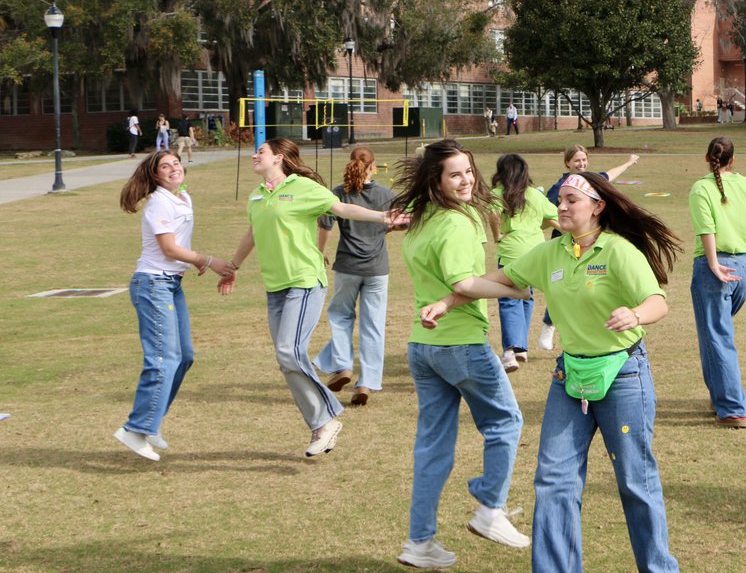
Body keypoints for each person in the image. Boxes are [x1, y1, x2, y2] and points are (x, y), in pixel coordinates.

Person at [423, 171, 684, 573]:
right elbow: (497, 279)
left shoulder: (617, 250)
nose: (561, 206)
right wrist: (446, 302)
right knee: (553, 480)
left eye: (571, 199)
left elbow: (657, 302)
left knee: (635, 481)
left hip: (623, 375)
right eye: (559, 199)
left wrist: (635, 313)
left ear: (598, 207)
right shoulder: (551, 253)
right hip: (571, 377)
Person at [388, 138, 530, 569]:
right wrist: (516, 287)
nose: (466, 180)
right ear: (437, 180)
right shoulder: (453, 223)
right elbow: (464, 283)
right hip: (459, 344)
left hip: (423, 346)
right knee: (506, 420)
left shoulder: (423, 219)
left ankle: (419, 542)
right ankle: (489, 508)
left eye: (468, 170)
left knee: (433, 447)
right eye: (455, 174)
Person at [217, 138, 399, 457]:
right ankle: (321, 424)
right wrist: (234, 266)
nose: (254, 155)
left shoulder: (300, 187)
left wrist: (382, 217)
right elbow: (253, 232)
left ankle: (327, 416)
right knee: (286, 358)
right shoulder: (257, 195)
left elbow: (341, 208)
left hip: (304, 281)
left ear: (279, 158)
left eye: (261, 151)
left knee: (290, 350)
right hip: (276, 287)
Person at [114, 150, 234, 461]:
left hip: (171, 284)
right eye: (165, 166)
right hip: (152, 284)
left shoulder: (183, 197)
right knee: (163, 358)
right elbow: (168, 248)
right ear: (155, 175)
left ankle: (150, 422)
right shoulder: (158, 202)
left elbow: (178, 244)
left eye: (176, 164)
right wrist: (207, 260)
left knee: (184, 357)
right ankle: (135, 428)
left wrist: (192, 262)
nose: (173, 169)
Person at [689, 137, 746, 429]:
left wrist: (714, 265)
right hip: (744, 267)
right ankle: (720, 399)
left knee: (717, 338)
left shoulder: (702, 188)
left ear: (707, 158)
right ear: (733, 160)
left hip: (715, 269)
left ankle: (732, 409)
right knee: (715, 335)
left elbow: (707, 229)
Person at [314, 147, 396, 406]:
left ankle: (343, 366)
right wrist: (384, 232)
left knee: (340, 316)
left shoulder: (339, 192)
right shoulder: (385, 194)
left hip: (347, 265)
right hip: (377, 268)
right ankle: (366, 382)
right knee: (373, 326)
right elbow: (403, 219)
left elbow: (325, 225)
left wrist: (321, 252)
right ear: (373, 166)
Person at [540, 145, 639, 350]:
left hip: (591, 243)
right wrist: (564, 227)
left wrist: (629, 162)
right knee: (565, 285)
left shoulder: (592, 181)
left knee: (590, 285)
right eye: (577, 160)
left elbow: (609, 175)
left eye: (584, 160)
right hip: (567, 246)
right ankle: (549, 324)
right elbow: (544, 215)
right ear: (567, 162)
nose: (581, 164)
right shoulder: (559, 187)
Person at [490, 153, 558, 372]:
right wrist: (537, 227)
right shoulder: (535, 195)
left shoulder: (498, 193)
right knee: (526, 297)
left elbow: (492, 214)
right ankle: (521, 348)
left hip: (511, 251)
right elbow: (554, 217)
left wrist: (497, 235)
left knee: (509, 299)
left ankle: (510, 351)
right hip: (536, 252)